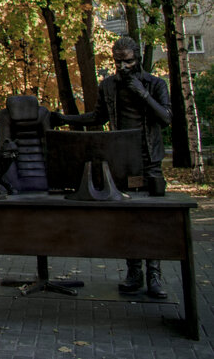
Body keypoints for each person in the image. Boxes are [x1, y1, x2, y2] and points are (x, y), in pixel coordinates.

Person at [52, 36, 172, 298]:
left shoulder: (155, 84)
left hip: (150, 160)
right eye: (117, 62)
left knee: (152, 218)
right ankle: (134, 271)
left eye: (127, 61)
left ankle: (154, 273)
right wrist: (64, 118)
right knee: (127, 217)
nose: (122, 67)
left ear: (137, 57)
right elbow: (97, 116)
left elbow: (165, 119)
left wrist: (142, 93)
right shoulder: (108, 86)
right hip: (123, 161)